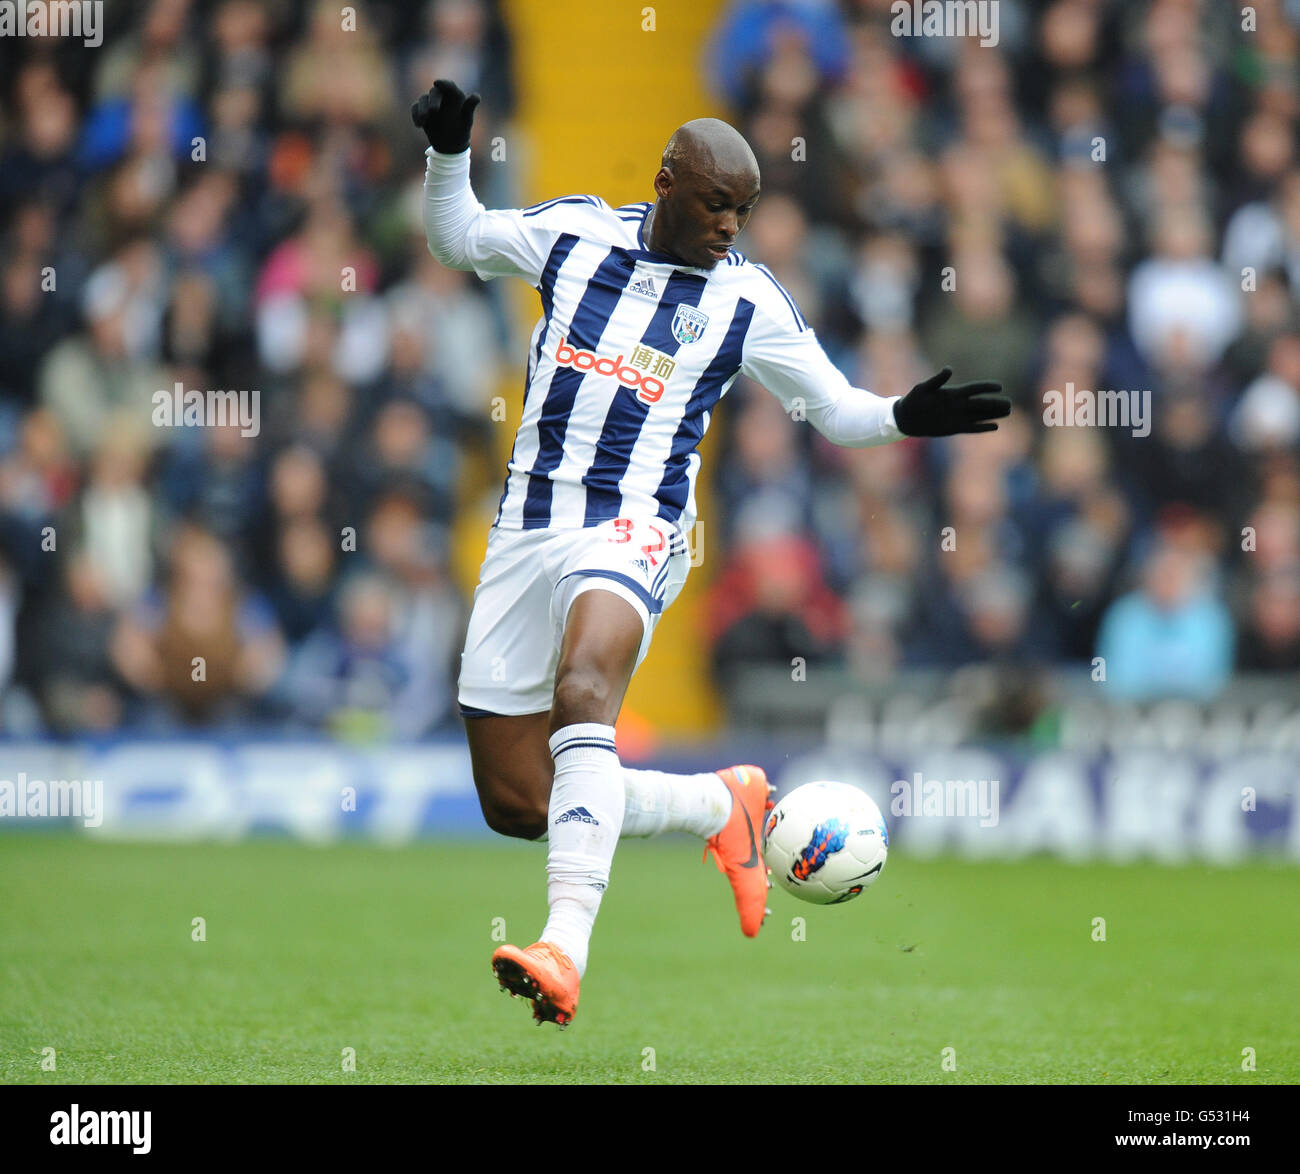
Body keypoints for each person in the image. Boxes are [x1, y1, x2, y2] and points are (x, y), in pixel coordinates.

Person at [412, 79, 1010, 1026]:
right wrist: (450, 154)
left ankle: (564, 949)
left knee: (584, 696)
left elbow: (834, 407)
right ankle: (714, 805)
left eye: (746, 209)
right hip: (527, 527)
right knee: (520, 801)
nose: (733, 225)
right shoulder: (576, 236)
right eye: (717, 204)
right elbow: (457, 238)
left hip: (638, 527)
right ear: (667, 185)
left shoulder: (745, 302)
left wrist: (903, 415)